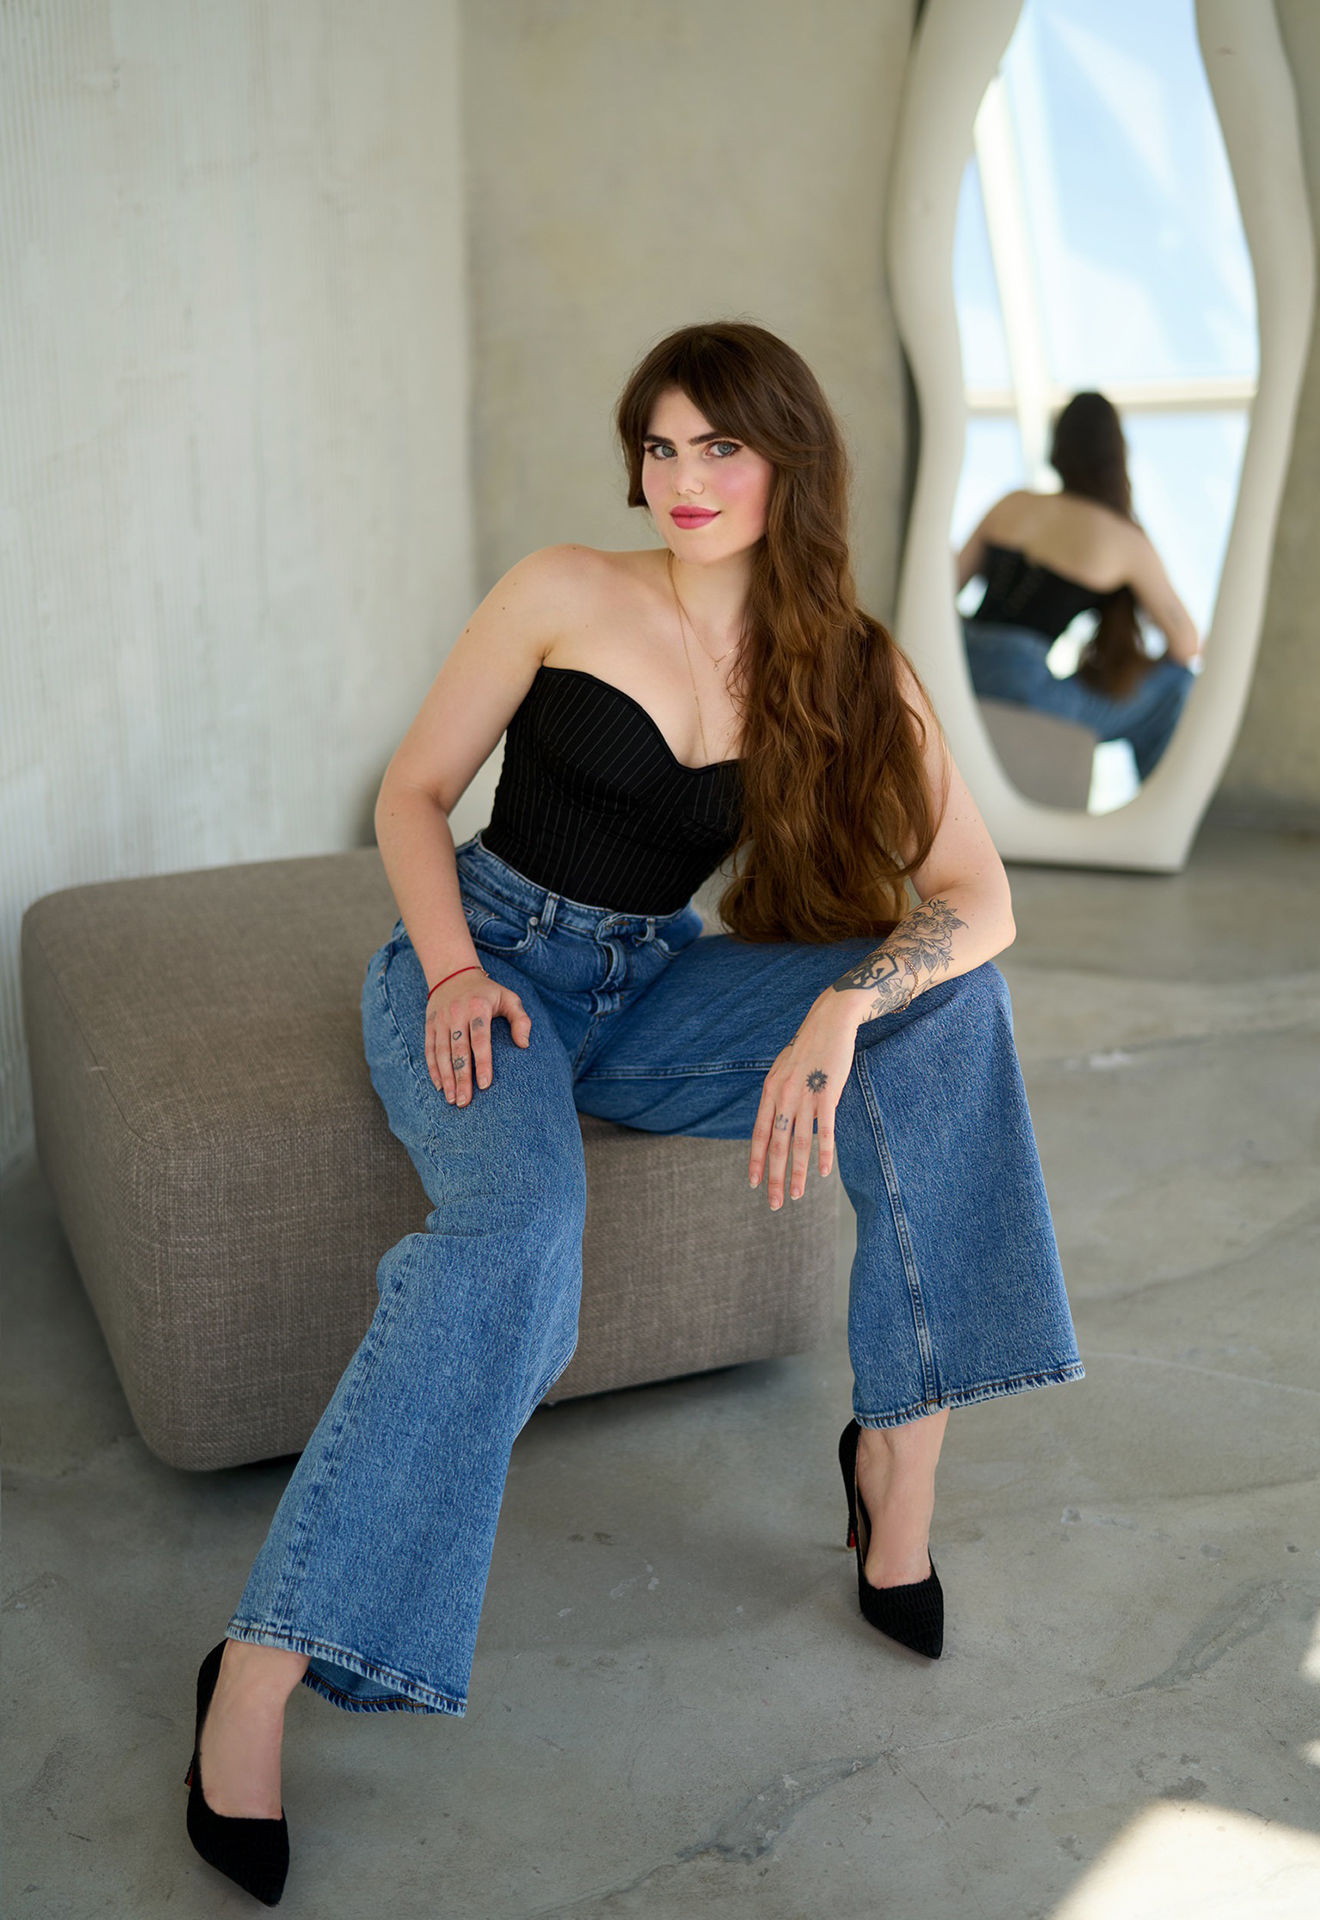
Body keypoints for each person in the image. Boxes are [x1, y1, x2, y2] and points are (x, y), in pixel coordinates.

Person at [182, 321, 1084, 1906]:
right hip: (489, 970)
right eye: (660, 447)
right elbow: (410, 793)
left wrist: (837, 1008)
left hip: (654, 985)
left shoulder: (846, 661)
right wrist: (452, 975)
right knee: (521, 1234)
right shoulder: (563, 589)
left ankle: (901, 1462)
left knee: (951, 1008)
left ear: (789, 460)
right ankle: (261, 1666)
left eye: (718, 446)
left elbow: (980, 899)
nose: (684, 478)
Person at [958, 391, 1201, 783]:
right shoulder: (1123, 538)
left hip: (959, 659)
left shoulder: (1013, 502)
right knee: (1178, 681)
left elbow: (949, 585)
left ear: (1060, 444)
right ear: (1117, 455)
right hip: (1022, 689)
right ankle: (1156, 800)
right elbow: (1186, 645)